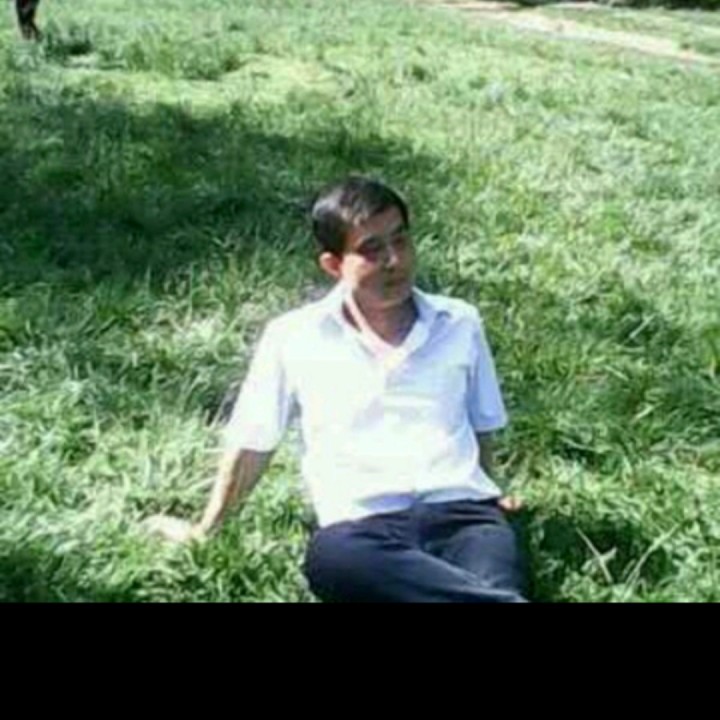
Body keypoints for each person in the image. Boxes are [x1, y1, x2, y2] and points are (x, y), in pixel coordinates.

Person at [146, 176, 527, 603]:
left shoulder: (459, 322)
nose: (394, 260)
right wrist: (206, 528)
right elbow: (253, 440)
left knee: (490, 576)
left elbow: (481, 422)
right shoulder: (294, 337)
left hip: (464, 518)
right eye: (371, 250)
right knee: (332, 559)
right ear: (333, 264)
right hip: (362, 527)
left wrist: (491, 490)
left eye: (401, 241)